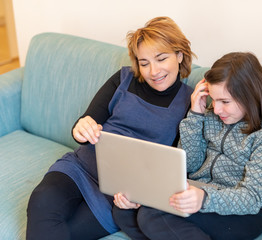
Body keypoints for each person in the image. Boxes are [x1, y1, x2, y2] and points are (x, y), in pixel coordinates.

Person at [26, 16, 195, 240]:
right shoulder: (123, 79)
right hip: (80, 169)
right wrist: (81, 127)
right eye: (144, 63)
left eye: (161, 59)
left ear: (180, 55)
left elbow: (178, 167)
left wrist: (141, 195)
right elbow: (87, 123)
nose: (153, 71)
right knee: (41, 202)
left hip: (118, 192)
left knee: (67, 233)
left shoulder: (189, 103)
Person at [112, 52, 262, 240]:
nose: (216, 109)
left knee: (152, 215)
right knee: (124, 210)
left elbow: (253, 198)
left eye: (225, 102)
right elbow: (190, 165)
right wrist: (195, 115)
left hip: (244, 213)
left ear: (250, 96)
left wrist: (205, 199)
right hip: (198, 193)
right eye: (213, 100)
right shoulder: (211, 116)